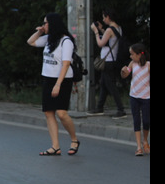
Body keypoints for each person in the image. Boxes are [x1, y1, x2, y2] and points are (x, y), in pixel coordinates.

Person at [27, 13, 80, 157]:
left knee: (61, 113)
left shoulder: (66, 41)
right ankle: (55, 146)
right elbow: (30, 42)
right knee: (48, 112)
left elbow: (66, 64)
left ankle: (74, 140)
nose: (44, 25)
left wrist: (58, 84)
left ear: (53, 23)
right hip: (48, 78)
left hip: (62, 80)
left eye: (45, 23)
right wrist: (39, 32)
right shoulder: (48, 39)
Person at [90, 10, 126, 117]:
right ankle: (99, 107)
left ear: (108, 17)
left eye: (104, 17)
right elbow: (110, 40)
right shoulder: (118, 28)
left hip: (108, 61)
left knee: (110, 86)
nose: (103, 19)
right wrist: (101, 29)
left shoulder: (110, 29)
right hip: (113, 60)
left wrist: (96, 31)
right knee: (104, 84)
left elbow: (101, 43)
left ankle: (121, 109)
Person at [121, 43, 150, 156]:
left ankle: (145, 140)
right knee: (136, 120)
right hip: (134, 96)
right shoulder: (132, 64)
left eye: (132, 54)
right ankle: (138, 147)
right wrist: (123, 71)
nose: (130, 56)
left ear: (139, 54)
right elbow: (125, 74)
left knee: (147, 121)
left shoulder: (148, 65)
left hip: (146, 97)